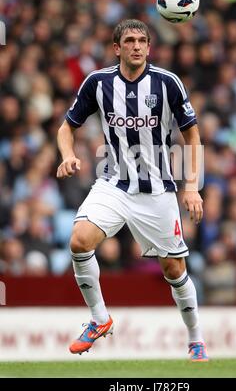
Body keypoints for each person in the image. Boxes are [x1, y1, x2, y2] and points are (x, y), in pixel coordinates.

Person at [56, 19, 208, 362]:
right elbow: (67, 126)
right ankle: (99, 318)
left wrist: (192, 187)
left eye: (142, 40)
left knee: (174, 271)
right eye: (129, 40)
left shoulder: (168, 83)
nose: (136, 46)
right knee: (79, 240)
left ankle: (196, 338)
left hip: (158, 192)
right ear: (117, 48)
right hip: (113, 184)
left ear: (149, 47)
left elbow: (193, 135)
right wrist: (67, 155)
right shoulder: (98, 82)